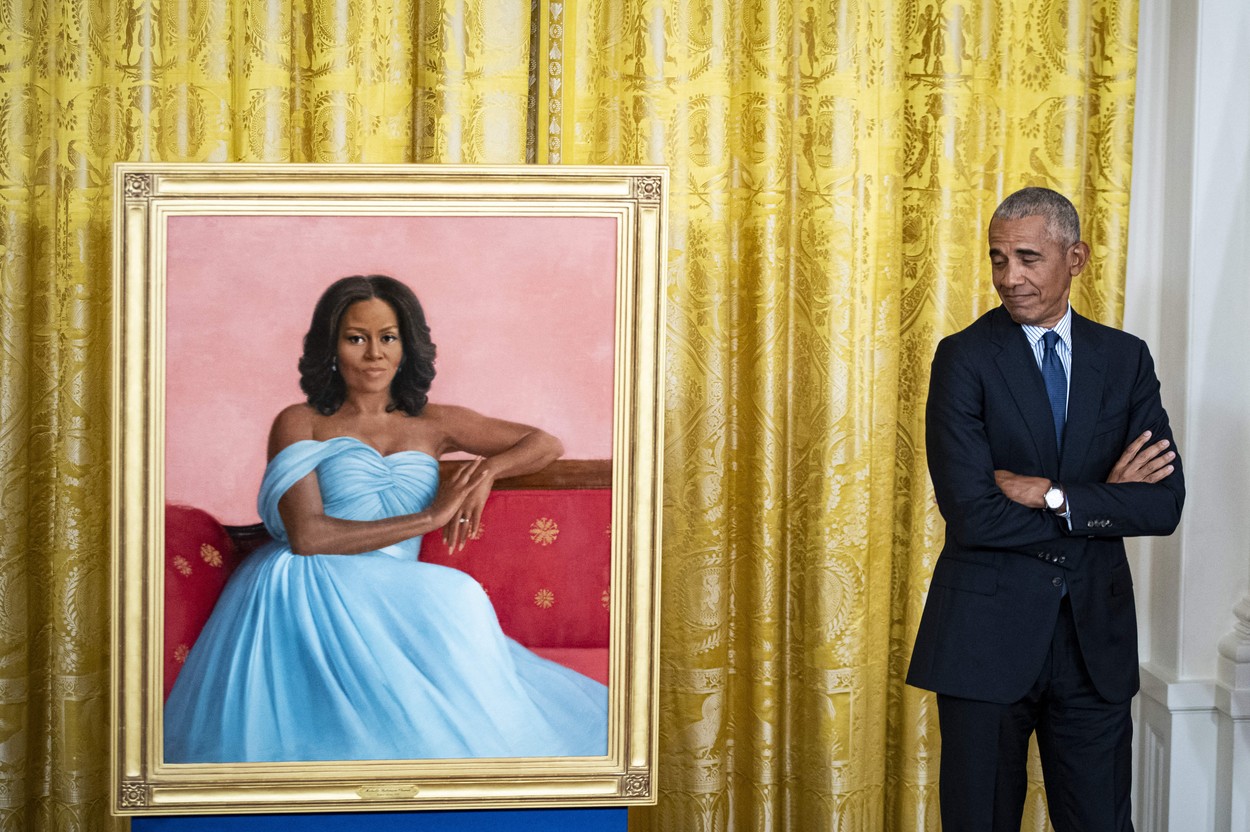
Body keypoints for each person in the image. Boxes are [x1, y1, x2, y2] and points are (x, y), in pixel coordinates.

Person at [164, 274, 608, 763]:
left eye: (387, 338)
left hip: (391, 579)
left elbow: (545, 443)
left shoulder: (433, 422)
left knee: (452, 601)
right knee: (453, 595)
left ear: (406, 347)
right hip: (307, 580)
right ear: (331, 348)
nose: (373, 353)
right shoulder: (301, 420)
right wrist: (431, 516)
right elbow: (308, 535)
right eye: (356, 338)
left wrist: (489, 471)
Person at [907, 188, 1184, 831]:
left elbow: (1164, 504)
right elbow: (973, 512)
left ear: (1076, 258)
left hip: (1095, 646)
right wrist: (1103, 502)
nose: (1010, 277)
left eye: (1028, 258)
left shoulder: (1125, 359)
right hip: (986, 642)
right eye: (998, 258)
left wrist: (1054, 494)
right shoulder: (963, 358)